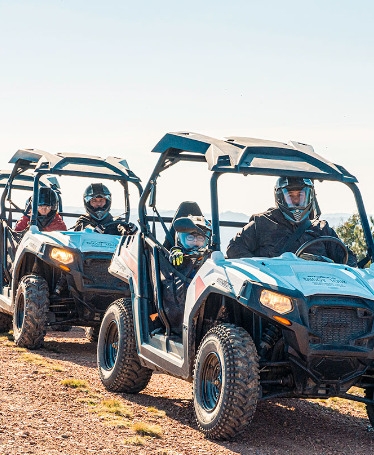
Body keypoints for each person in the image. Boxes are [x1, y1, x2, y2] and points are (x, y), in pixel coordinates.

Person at [226, 176, 357, 267]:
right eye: (290, 196)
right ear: (280, 198)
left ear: (309, 197)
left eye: (300, 196)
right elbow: (234, 249)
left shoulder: (322, 229)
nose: (295, 201)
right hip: (274, 293)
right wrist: (261, 269)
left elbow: (348, 259)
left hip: (317, 290)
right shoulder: (262, 223)